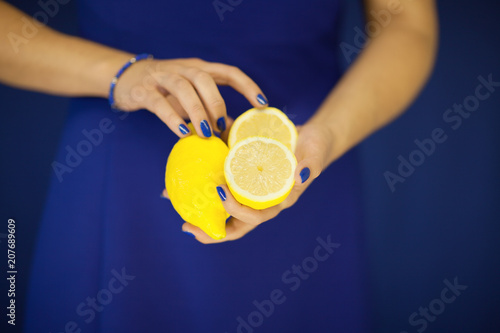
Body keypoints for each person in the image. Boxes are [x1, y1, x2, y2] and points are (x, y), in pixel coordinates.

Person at [0, 0, 438, 331]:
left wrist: (328, 135)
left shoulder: (309, 149)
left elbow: (407, 23)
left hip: (303, 154)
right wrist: (119, 74)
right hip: (121, 169)